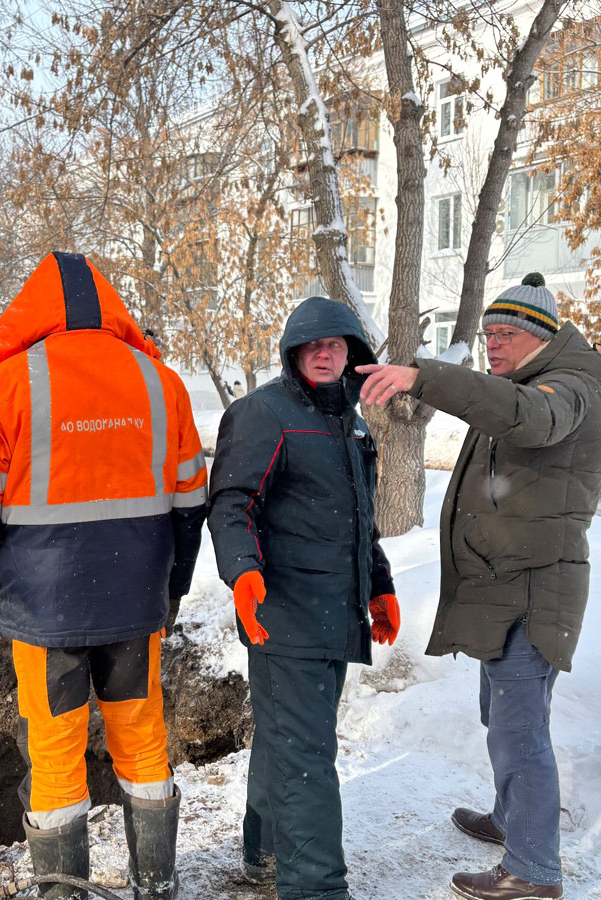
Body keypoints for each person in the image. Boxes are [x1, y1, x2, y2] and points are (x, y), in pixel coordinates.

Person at [0, 252, 207, 900]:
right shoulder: (160, 382)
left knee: (56, 756)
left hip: (46, 616)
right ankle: (157, 886)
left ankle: (64, 893)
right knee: (142, 741)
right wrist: (171, 590)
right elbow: (190, 504)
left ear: (33, 312)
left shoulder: (10, 385)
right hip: (134, 607)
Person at [357, 272, 601, 900]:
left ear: (540, 336)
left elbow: (529, 420)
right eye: (487, 333)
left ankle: (533, 870)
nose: (491, 344)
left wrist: (425, 377)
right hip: (504, 585)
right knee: (501, 716)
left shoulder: (566, 388)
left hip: (533, 590)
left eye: (504, 334)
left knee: (520, 731)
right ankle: (511, 819)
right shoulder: (521, 383)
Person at [208, 295, 398, 900]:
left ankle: (266, 851)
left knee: (287, 740)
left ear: (351, 354)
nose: (324, 354)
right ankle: (314, 887)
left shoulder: (351, 421)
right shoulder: (263, 413)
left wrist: (379, 584)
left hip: (335, 610)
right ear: (293, 354)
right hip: (284, 612)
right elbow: (232, 504)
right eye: (313, 346)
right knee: (307, 755)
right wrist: (243, 572)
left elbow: (360, 519)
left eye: (335, 345)